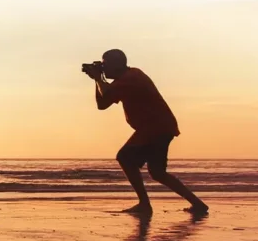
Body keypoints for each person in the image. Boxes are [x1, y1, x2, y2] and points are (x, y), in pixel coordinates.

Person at [86, 49, 209, 216]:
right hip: (159, 127)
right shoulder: (124, 79)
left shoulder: (131, 77)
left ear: (117, 64)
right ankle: (198, 204)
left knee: (124, 157)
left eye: (105, 64)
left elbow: (106, 95)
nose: (103, 68)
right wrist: (96, 80)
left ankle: (144, 204)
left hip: (155, 127)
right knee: (157, 172)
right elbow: (103, 104)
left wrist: (99, 78)